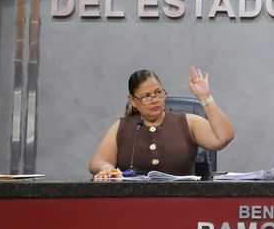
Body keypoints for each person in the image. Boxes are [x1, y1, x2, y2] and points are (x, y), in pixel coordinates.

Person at [90, 66, 234, 179]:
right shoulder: (121, 127)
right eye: (146, 96)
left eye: (158, 92)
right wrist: (105, 167)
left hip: (184, 204)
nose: (154, 100)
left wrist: (205, 97)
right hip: (133, 205)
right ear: (132, 100)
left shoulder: (188, 122)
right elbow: (97, 162)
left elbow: (224, 137)